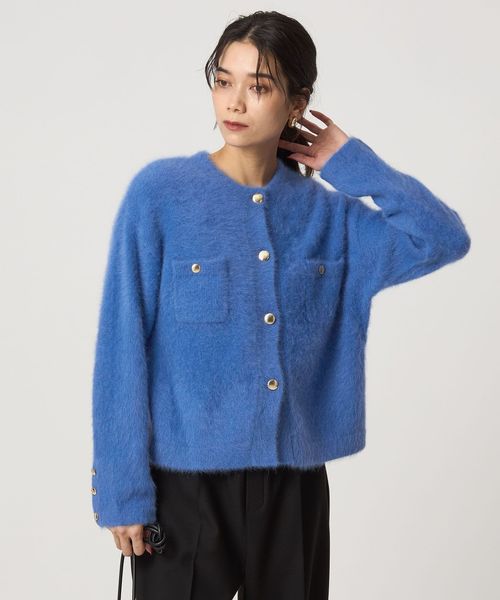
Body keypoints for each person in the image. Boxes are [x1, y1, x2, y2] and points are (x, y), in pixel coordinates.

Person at [89, 10, 471, 600]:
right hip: (184, 491)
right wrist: (122, 491)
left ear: (297, 103)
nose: (235, 101)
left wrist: (351, 162)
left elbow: (442, 238)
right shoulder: (160, 196)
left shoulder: (331, 218)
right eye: (223, 81)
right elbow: (121, 343)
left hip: (294, 488)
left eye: (259, 86)